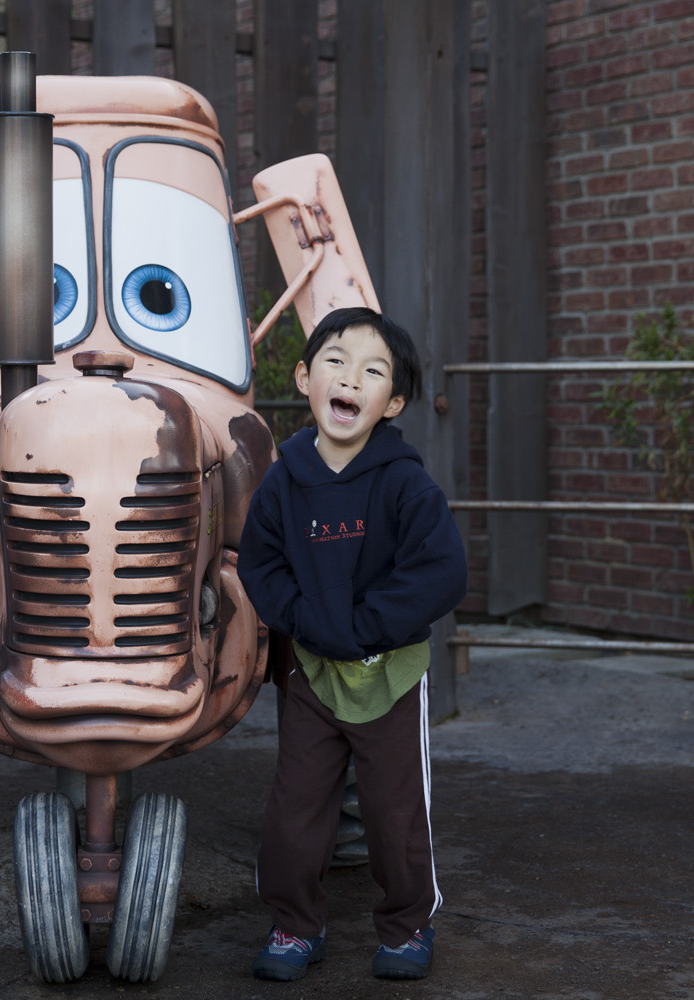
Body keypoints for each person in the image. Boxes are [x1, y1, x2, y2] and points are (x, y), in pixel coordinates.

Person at [237, 306, 468, 982]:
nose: (350, 379)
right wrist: (309, 623)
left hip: (388, 671)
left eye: (373, 371)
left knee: (394, 812)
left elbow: (441, 572)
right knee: (295, 809)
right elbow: (261, 567)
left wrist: (365, 628)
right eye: (335, 362)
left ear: (391, 402)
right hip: (312, 671)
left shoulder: (405, 483)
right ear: (304, 377)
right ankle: (294, 926)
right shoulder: (282, 481)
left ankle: (406, 927)